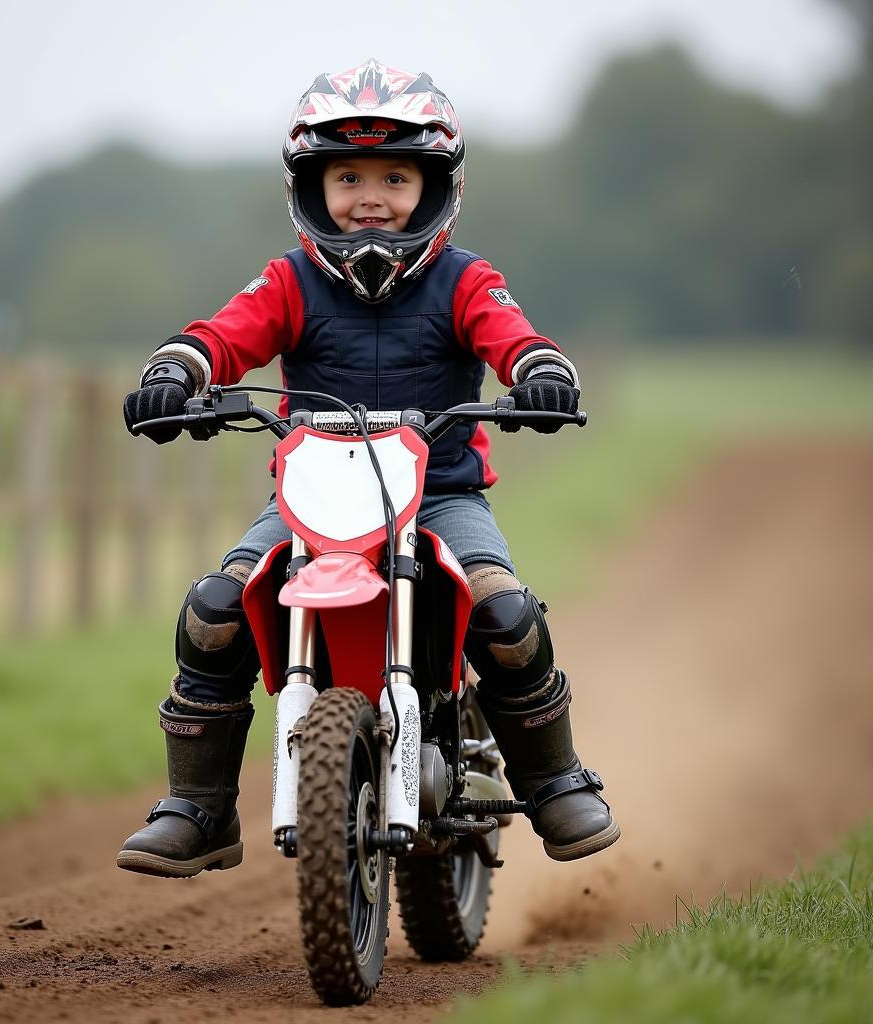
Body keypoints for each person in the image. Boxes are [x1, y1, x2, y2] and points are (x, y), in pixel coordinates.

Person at [117, 59, 619, 879]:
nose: (372, 195)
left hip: (442, 498)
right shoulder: (289, 279)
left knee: (506, 613)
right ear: (312, 188)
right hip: (310, 503)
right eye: (347, 175)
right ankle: (197, 807)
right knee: (215, 610)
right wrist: (178, 373)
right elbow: (222, 334)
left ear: (437, 185)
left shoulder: (466, 280)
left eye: (396, 174)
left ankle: (555, 778)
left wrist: (540, 371)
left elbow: (511, 333)